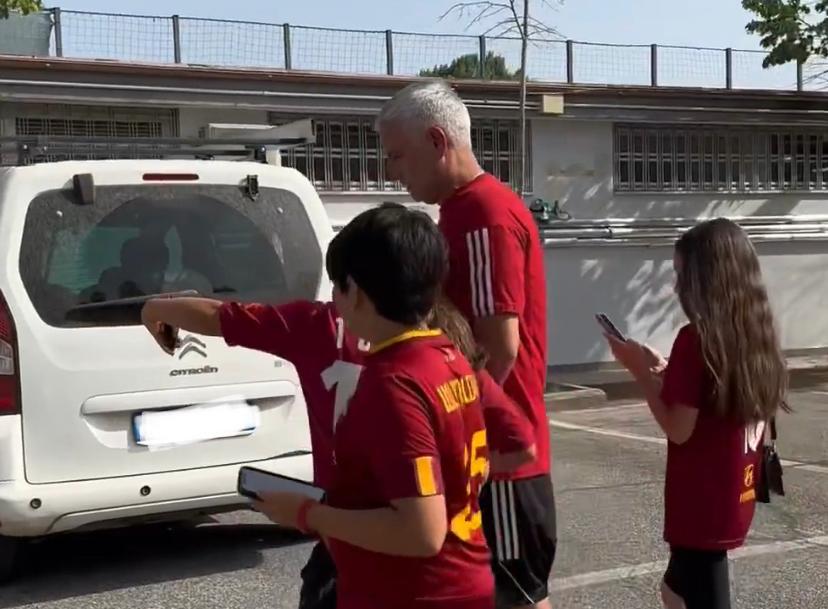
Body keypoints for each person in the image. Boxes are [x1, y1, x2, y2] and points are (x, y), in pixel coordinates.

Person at [253, 203, 495, 608]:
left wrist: (306, 513)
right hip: (459, 579)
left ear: (357, 293)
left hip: (412, 593)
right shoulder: (446, 355)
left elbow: (421, 531)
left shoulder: (393, 383)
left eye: (337, 286)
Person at [376, 80, 555, 609]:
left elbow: (499, 348)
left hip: (501, 460)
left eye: (398, 156)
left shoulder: (482, 213)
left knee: (514, 598)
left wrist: (461, 438)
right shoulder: (463, 210)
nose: (393, 172)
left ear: (437, 141)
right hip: (497, 455)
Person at [604, 218, 789, 609]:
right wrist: (669, 374)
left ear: (707, 278)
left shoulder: (696, 339)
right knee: (676, 589)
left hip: (700, 503)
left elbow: (679, 427)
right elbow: (712, 402)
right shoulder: (753, 334)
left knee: (695, 591)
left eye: (681, 275)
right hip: (734, 493)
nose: (675, 287)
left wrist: (638, 371)